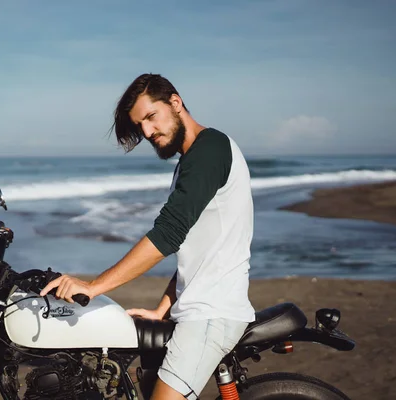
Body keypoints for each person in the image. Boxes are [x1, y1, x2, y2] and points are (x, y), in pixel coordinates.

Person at [41, 73, 256, 399]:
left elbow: (168, 234)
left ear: (175, 102)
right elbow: (200, 253)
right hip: (197, 310)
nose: (147, 132)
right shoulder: (191, 160)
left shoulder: (209, 151)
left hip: (211, 316)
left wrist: (94, 286)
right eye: (140, 126)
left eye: (151, 118)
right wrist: (162, 309)